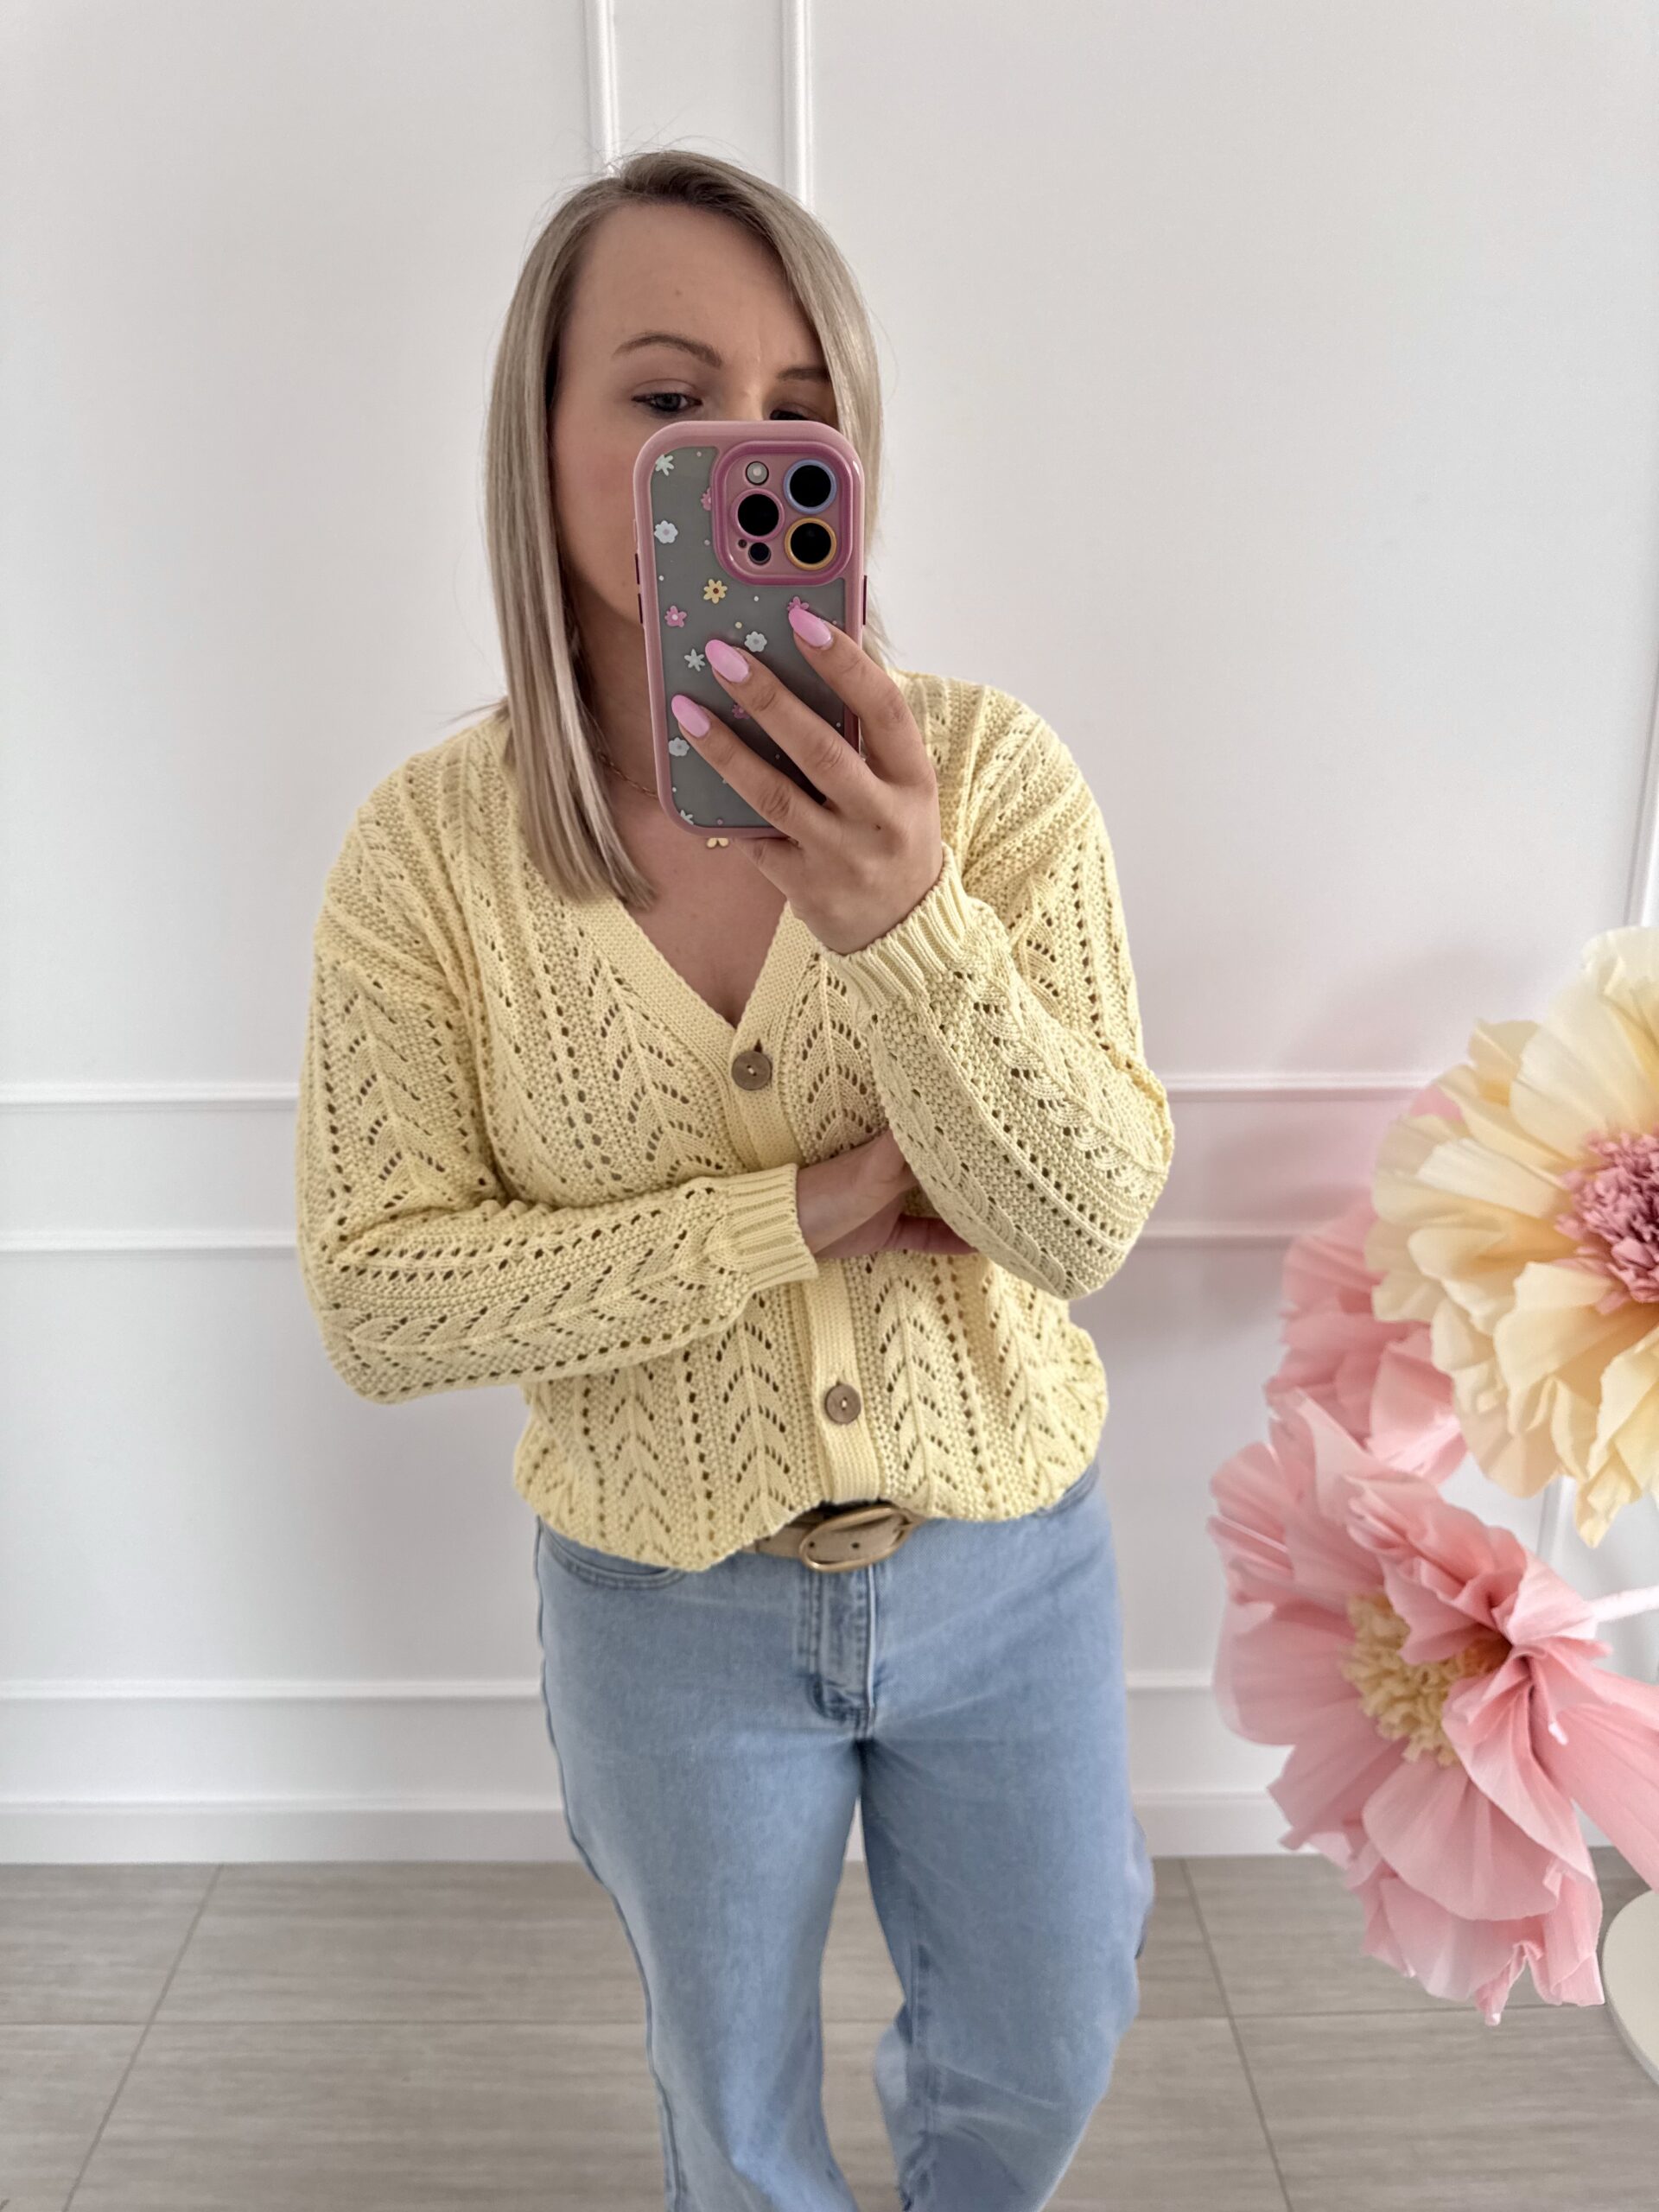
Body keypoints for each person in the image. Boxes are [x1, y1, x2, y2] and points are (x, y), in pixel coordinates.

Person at [296, 146, 1173, 2212]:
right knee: (733, 2108)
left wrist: (910, 919)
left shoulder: (993, 779)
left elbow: (1081, 1221)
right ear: (541, 434)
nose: (738, 454)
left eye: (800, 405)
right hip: (661, 1606)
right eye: (667, 396)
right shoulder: (426, 857)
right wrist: (792, 1216)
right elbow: (379, 1299)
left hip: (1003, 1564)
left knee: (1048, 2036)